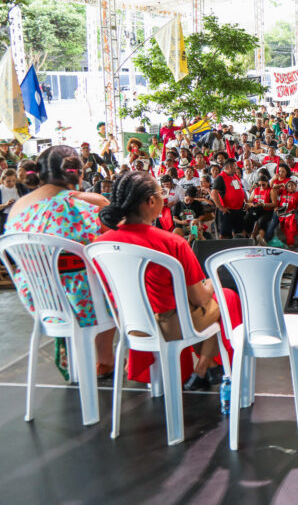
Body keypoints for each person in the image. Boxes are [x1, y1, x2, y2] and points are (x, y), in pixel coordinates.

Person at [95, 171, 241, 390]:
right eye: (161, 193)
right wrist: (211, 284)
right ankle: (204, 367)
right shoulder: (172, 242)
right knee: (225, 297)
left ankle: (208, 365)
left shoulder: (100, 244)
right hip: (171, 324)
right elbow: (200, 299)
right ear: (151, 201)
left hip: (131, 325)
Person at [6, 146, 115, 380]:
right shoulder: (91, 202)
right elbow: (118, 241)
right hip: (84, 300)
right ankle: (105, 360)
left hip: (39, 296)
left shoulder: (18, 207)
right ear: (77, 172)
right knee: (108, 274)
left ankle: (79, 352)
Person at [210, 158, 247, 238]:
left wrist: (245, 201)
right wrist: (220, 207)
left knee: (238, 233)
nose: (236, 168)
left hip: (238, 209)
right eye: (235, 166)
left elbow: (239, 190)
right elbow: (213, 194)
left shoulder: (234, 176)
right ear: (230, 166)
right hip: (227, 211)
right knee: (224, 235)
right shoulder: (220, 178)